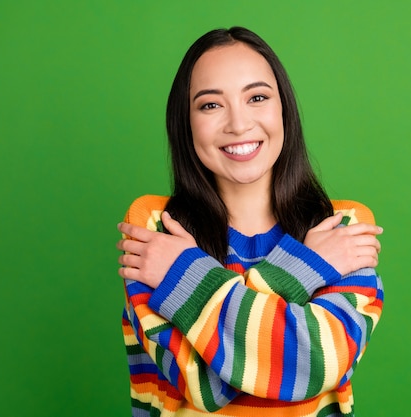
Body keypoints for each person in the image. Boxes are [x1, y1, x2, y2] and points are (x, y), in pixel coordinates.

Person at [116, 26, 384, 417]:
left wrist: (184, 275)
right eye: (210, 105)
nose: (238, 124)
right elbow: (204, 385)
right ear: (185, 122)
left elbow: (313, 365)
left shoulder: (342, 227)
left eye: (257, 97)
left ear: (283, 109)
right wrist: (307, 267)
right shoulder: (154, 227)